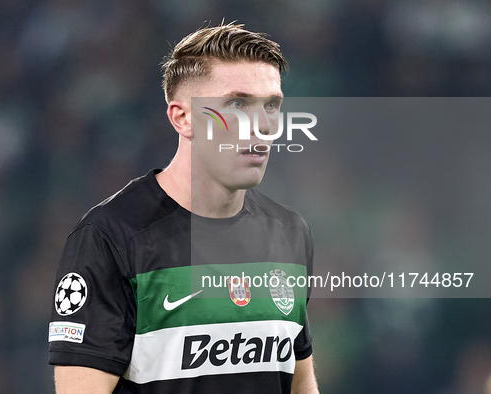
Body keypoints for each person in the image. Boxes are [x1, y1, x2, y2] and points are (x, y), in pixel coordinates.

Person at [48, 22, 319, 394]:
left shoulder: (290, 232)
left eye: (271, 105)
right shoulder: (111, 238)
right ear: (182, 117)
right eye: (237, 104)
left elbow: (299, 385)